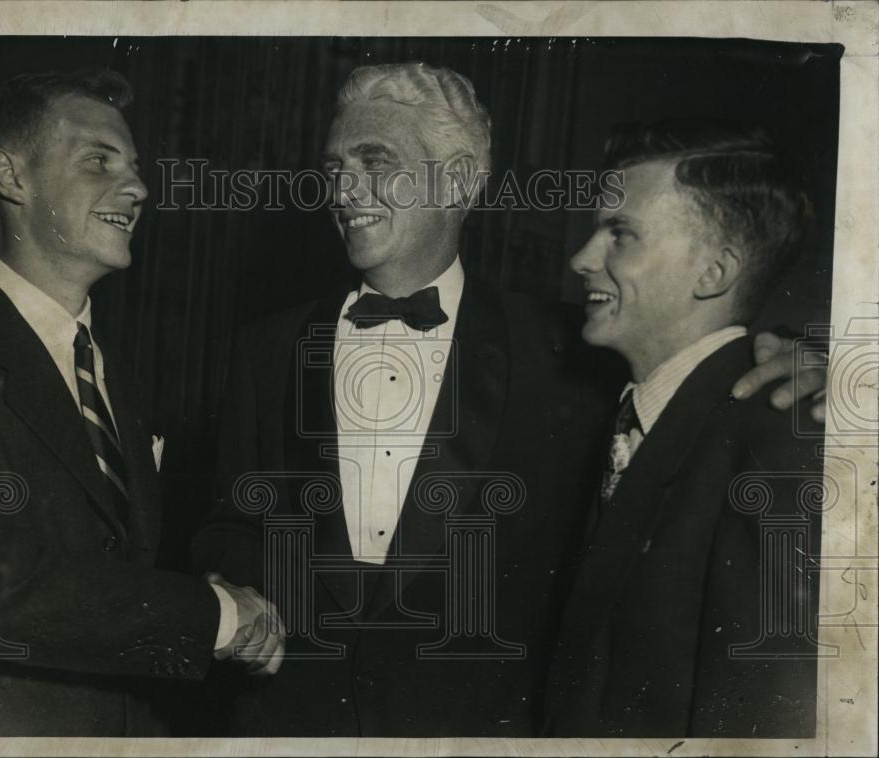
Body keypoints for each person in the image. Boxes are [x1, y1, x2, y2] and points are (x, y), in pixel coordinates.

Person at [190, 64, 822, 737]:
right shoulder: (267, 348)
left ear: (459, 179)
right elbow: (224, 526)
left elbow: (697, 354)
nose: (344, 188)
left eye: (375, 160)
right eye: (335, 164)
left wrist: (807, 357)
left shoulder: (575, 351)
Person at [0, 69, 283, 737]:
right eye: (98, 161)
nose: (137, 188)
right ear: (12, 177)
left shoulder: (118, 376)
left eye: (135, 167)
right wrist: (218, 616)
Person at [542, 121, 823, 737]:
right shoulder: (635, 412)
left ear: (713, 272)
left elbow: (761, 721)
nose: (582, 259)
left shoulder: (778, 438)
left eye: (621, 235)